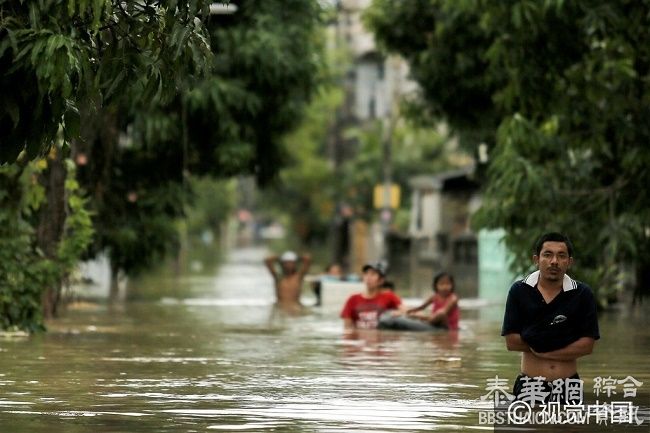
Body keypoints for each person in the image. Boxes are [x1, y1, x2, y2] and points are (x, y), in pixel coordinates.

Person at [501, 232, 600, 403]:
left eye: (561, 255)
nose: (554, 261)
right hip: (530, 385)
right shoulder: (519, 291)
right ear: (536, 259)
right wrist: (561, 339)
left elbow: (587, 346)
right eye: (547, 254)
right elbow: (512, 342)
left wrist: (541, 349)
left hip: (568, 386)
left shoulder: (582, 294)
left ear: (569, 262)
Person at [340, 262, 406, 330]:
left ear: (381, 280)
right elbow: (347, 328)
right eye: (366, 274)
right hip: (360, 338)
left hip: (381, 337)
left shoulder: (389, 296)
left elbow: (405, 310)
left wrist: (399, 312)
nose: (368, 277)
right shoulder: (353, 299)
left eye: (373, 274)